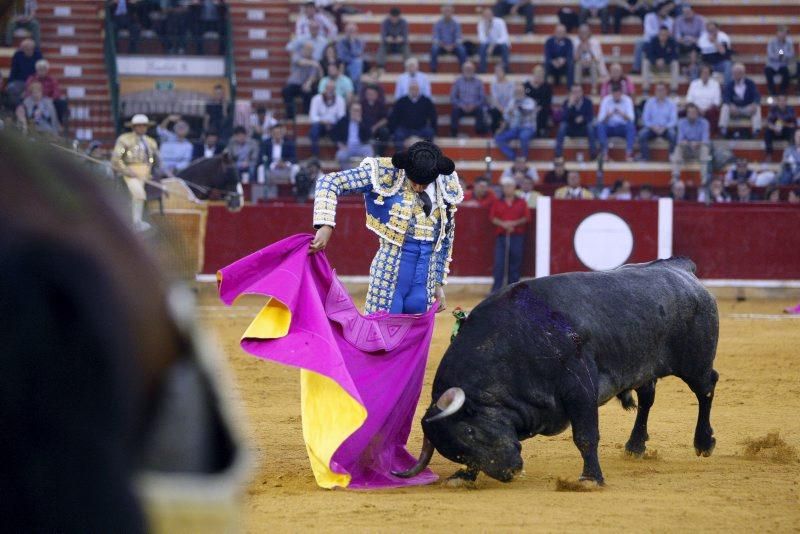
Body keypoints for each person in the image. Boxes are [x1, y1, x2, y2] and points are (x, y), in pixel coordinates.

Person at [310, 139, 460, 314]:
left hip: (424, 283)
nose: (418, 188)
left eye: (424, 184)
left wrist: (437, 283)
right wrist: (325, 224)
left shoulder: (445, 183)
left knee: (415, 339)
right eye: (414, 181)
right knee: (379, 337)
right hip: (388, 278)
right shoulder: (387, 172)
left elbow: (445, 237)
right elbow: (329, 182)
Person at [111, 114, 161, 231]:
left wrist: (151, 171)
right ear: (133, 127)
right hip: (130, 171)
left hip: (146, 173)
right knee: (138, 192)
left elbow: (155, 160)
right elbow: (116, 159)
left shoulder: (151, 142)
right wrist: (126, 170)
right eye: (139, 126)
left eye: (144, 126)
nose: (142, 128)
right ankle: (136, 222)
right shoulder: (124, 139)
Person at [490, 176, 531, 292]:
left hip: (517, 236)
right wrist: (504, 224)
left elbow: (526, 218)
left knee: (515, 263)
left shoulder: (521, 202)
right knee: (499, 263)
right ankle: (496, 290)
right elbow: (493, 218)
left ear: (514, 188)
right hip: (502, 236)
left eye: (510, 186)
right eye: (505, 186)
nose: (507, 189)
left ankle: (513, 290)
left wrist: (513, 223)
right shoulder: (497, 202)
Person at [494, 83, 537, 161]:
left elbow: (526, 111)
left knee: (523, 136)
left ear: (524, 91)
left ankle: (523, 159)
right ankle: (514, 158)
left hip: (528, 128)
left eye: (520, 91)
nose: (518, 93)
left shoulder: (530, 101)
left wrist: (516, 107)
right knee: (498, 138)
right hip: (515, 129)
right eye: (516, 91)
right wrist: (501, 128)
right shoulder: (512, 101)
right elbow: (506, 117)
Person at [389, 81, 437, 151]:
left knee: (430, 132)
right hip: (405, 129)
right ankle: (400, 156)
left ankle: (427, 155)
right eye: (412, 89)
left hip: (421, 128)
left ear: (419, 90)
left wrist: (434, 129)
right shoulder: (401, 101)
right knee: (398, 134)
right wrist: (393, 130)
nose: (414, 91)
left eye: (416, 89)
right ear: (409, 90)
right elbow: (394, 117)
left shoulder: (426, 101)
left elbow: (433, 116)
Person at [719, 63, 762, 139]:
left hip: (747, 108)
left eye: (739, 73)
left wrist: (754, 103)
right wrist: (730, 104)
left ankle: (756, 130)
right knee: (725, 107)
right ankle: (723, 129)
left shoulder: (750, 83)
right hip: (734, 109)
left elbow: (757, 95)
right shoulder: (730, 84)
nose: (737, 75)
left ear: (743, 73)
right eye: (735, 73)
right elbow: (725, 97)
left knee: (757, 108)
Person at [282, 42, 323, 120]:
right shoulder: (297, 56)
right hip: (294, 83)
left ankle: (306, 114)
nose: (308, 51)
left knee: (309, 92)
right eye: (307, 49)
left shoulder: (314, 60)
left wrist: (308, 84)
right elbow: (300, 62)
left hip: (305, 84)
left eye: (310, 50)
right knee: (286, 91)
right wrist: (313, 63)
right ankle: (290, 115)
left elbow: (313, 76)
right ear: (303, 49)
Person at [671, 103, 710, 183]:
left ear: (697, 113)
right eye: (690, 112)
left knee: (705, 149)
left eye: (694, 112)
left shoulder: (704, 123)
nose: (692, 114)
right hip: (687, 149)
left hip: (698, 150)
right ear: (687, 113)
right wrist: (687, 143)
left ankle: (704, 178)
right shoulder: (681, 123)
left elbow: (705, 141)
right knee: (678, 148)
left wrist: (697, 143)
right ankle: (675, 176)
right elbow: (679, 140)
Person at [597, 83, 635, 161]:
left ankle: (628, 154)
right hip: (610, 127)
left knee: (631, 126)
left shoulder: (627, 100)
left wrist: (622, 114)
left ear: (621, 93)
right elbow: (600, 119)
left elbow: (632, 119)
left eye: (618, 94)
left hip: (622, 127)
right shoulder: (606, 100)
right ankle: (605, 153)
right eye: (615, 94)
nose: (616, 96)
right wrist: (608, 116)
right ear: (612, 93)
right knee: (600, 126)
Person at [639, 83, 678, 160]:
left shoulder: (671, 103)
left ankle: (671, 157)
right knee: (642, 135)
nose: (660, 92)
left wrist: (665, 127)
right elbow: (645, 119)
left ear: (666, 91)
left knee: (673, 135)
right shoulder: (649, 103)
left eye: (662, 90)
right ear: (655, 91)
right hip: (652, 128)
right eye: (658, 90)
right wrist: (653, 127)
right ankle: (645, 158)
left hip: (666, 128)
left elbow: (673, 120)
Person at [555, 84, 596, 159]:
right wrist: (569, 106)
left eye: (578, 92)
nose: (576, 94)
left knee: (590, 127)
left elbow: (590, 117)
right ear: (571, 93)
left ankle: (593, 154)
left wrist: (583, 118)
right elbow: (563, 118)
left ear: (582, 92)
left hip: (583, 128)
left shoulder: (588, 102)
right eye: (574, 92)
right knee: (562, 126)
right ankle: (558, 154)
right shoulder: (566, 102)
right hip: (571, 129)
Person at [633, 1, 674, 74]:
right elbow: (648, 31)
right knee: (639, 43)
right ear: (659, 9)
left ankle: (665, 65)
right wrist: (661, 34)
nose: (666, 12)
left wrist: (662, 35)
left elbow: (669, 33)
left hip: (663, 42)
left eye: (667, 10)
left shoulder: (670, 20)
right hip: (649, 41)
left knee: (672, 44)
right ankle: (636, 68)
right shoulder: (649, 16)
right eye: (664, 9)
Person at [450, 61, 488, 137]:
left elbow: (482, 97)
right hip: (461, 107)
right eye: (466, 69)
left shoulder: (478, 82)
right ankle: (454, 133)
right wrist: (461, 105)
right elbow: (452, 97)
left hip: (474, 107)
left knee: (480, 111)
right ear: (463, 70)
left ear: (474, 70)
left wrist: (474, 105)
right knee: (455, 111)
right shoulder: (458, 81)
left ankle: (479, 132)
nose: (468, 70)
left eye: (470, 69)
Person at [25, 59, 67, 126]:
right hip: (34, 100)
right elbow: (27, 91)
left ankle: (57, 125)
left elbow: (56, 91)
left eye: (43, 69)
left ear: (47, 70)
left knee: (61, 102)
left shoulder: (51, 79)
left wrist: (51, 99)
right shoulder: (32, 79)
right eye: (40, 69)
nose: (41, 71)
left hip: (48, 100)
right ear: (36, 70)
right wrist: (35, 98)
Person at [260, 123, 298, 196]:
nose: (277, 135)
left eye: (279, 133)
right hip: (272, 167)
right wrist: (274, 164)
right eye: (275, 133)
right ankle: (263, 193)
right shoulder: (266, 143)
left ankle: (294, 190)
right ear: (271, 133)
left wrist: (286, 164)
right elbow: (262, 158)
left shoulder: (289, 143)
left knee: (296, 168)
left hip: (285, 168)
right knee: (261, 168)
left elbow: (294, 158)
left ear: (282, 133)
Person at [309, 83, 346, 157]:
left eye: (332, 89)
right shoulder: (316, 99)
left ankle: (341, 153)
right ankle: (315, 155)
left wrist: (331, 123)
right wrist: (323, 122)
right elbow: (312, 116)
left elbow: (341, 116)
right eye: (328, 89)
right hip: (321, 124)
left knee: (342, 127)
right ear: (325, 89)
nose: (330, 91)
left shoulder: (340, 100)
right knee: (314, 130)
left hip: (334, 125)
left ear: (335, 90)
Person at [333, 102, 374, 169]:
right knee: (340, 155)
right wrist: (339, 144)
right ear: (350, 111)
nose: (356, 112)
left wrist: (360, 123)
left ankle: (364, 172)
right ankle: (348, 172)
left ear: (361, 112)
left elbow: (369, 135)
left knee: (369, 151)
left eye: (358, 110)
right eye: (354, 110)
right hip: (348, 147)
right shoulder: (344, 120)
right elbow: (334, 133)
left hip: (360, 146)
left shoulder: (365, 120)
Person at [572, 23, 607, 95]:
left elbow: (597, 59)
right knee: (577, 65)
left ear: (589, 32)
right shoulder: (575, 42)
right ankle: (578, 88)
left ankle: (594, 88)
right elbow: (574, 59)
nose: (583, 34)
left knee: (593, 65)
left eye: (585, 32)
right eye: (581, 32)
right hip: (580, 64)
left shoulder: (595, 42)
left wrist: (589, 50)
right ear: (579, 33)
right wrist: (579, 49)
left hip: (592, 64)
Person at [430, 4, 467, 72]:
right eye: (445, 11)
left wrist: (452, 46)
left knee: (462, 50)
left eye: (449, 11)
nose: (447, 13)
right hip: (441, 46)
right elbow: (435, 39)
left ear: (452, 12)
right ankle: (433, 69)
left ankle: (463, 70)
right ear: (442, 12)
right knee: (434, 49)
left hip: (453, 46)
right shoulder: (437, 24)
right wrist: (444, 46)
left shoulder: (456, 24)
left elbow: (458, 38)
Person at [643, 26, 680, 94]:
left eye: (665, 35)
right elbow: (649, 54)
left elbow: (675, 55)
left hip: (667, 66)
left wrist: (664, 61)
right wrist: (656, 61)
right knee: (646, 62)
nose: (663, 36)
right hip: (655, 66)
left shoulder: (672, 42)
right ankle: (646, 89)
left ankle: (673, 89)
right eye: (661, 34)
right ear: (658, 34)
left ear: (668, 34)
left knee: (675, 63)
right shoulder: (653, 41)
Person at [6, 38, 41, 107]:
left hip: (34, 81)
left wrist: (32, 84)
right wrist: (9, 82)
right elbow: (13, 71)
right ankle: (20, 107)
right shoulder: (17, 55)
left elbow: (40, 71)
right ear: (22, 49)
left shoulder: (38, 55)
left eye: (31, 49)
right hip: (20, 81)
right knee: (11, 87)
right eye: (26, 49)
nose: (29, 50)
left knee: (36, 89)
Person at [686, 64, 721, 130]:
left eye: (707, 73)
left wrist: (706, 110)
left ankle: (711, 134)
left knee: (714, 111)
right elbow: (689, 100)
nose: (705, 75)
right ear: (700, 74)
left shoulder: (715, 84)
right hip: (695, 109)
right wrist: (698, 109)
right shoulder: (694, 83)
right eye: (703, 73)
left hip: (710, 110)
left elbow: (716, 102)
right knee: (686, 111)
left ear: (710, 74)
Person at [477, 7, 511, 74]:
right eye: (486, 15)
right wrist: (487, 28)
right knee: (482, 47)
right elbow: (482, 40)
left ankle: (506, 69)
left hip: (498, 47)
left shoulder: (500, 21)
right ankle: (482, 69)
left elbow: (504, 37)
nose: (488, 16)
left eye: (489, 14)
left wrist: (493, 44)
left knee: (504, 46)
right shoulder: (481, 24)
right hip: (488, 48)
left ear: (492, 14)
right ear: (483, 16)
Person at [764, 25, 796, 96]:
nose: (783, 34)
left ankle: (782, 91)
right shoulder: (771, 42)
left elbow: (791, 54)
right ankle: (772, 92)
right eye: (781, 32)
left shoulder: (789, 43)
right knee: (767, 71)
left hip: (783, 64)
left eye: (785, 33)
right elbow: (770, 54)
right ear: (777, 33)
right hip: (772, 64)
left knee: (787, 72)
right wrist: (779, 56)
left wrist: (783, 56)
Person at [764, 95, 797, 161]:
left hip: (786, 131)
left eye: (784, 100)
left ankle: (792, 154)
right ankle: (769, 154)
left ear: (786, 101)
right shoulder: (773, 109)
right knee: (767, 132)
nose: (782, 102)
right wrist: (774, 128)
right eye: (780, 101)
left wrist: (783, 124)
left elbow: (793, 124)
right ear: (777, 102)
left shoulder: (790, 109)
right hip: (775, 131)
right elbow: (768, 122)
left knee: (793, 132)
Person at [360, 84, 390, 156]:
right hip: (364, 128)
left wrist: (375, 127)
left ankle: (379, 154)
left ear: (376, 95)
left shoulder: (381, 104)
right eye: (368, 94)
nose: (370, 95)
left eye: (372, 94)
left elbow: (385, 119)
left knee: (385, 132)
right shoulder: (361, 104)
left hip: (377, 129)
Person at [524, 65, 552, 136]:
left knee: (543, 112)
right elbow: (524, 99)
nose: (538, 76)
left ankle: (541, 131)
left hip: (541, 108)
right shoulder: (526, 85)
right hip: (529, 108)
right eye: (537, 74)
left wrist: (539, 107)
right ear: (533, 74)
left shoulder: (547, 87)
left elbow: (547, 101)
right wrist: (531, 108)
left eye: (540, 74)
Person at [336, 23, 365, 91]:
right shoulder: (341, 42)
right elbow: (342, 57)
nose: (351, 33)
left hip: (355, 65)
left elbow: (358, 53)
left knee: (357, 62)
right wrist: (353, 58)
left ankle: (354, 84)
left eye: (353, 31)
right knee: (357, 62)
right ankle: (355, 86)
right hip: (344, 64)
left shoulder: (359, 42)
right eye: (349, 31)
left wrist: (352, 43)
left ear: (356, 32)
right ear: (345, 32)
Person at [488, 64, 515, 133]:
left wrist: (506, 109)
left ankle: (509, 132)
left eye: (499, 71)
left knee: (512, 111)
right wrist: (501, 109)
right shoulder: (493, 84)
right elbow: (494, 98)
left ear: (504, 72)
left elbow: (512, 98)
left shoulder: (511, 84)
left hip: (508, 107)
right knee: (494, 112)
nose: (497, 73)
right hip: (498, 108)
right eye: (495, 71)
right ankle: (495, 134)